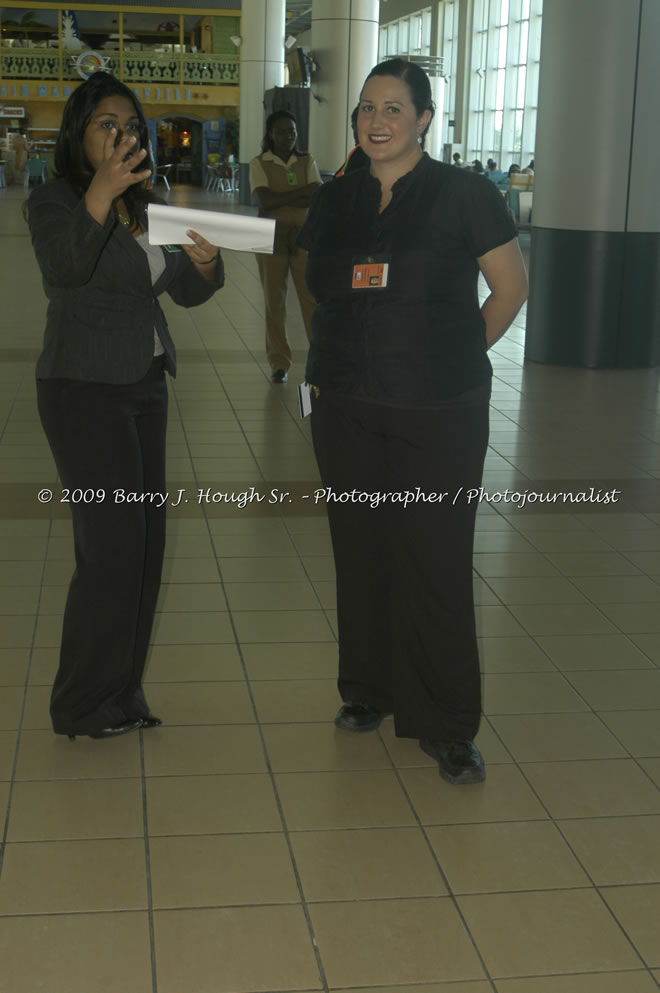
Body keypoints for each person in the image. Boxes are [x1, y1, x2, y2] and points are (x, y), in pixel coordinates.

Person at [299, 58, 528, 785]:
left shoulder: (464, 193)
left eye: (394, 108)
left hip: (439, 411)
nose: (376, 120)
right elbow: (321, 286)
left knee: (433, 560)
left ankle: (446, 722)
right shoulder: (338, 198)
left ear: (425, 119)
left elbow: (510, 287)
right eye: (367, 107)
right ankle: (367, 688)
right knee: (361, 549)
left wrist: (453, 354)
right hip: (347, 404)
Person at [26, 71, 224, 740]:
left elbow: (183, 293)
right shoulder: (54, 200)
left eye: (130, 126)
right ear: (79, 134)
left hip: (143, 382)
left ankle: (122, 691)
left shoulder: (152, 201)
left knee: (144, 547)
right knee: (110, 547)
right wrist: (100, 193)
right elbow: (64, 269)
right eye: (107, 125)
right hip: (82, 388)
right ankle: (81, 702)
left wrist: (204, 264)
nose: (122, 136)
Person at [249, 111, 321, 384]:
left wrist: (281, 199)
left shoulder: (306, 160)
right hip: (270, 237)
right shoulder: (259, 163)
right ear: (270, 135)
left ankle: (320, 358)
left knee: (311, 300)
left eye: (292, 131)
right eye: (281, 132)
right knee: (274, 302)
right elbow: (264, 202)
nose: (288, 136)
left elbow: (317, 194)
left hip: (305, 237)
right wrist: (300, 194)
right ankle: (279, 362)